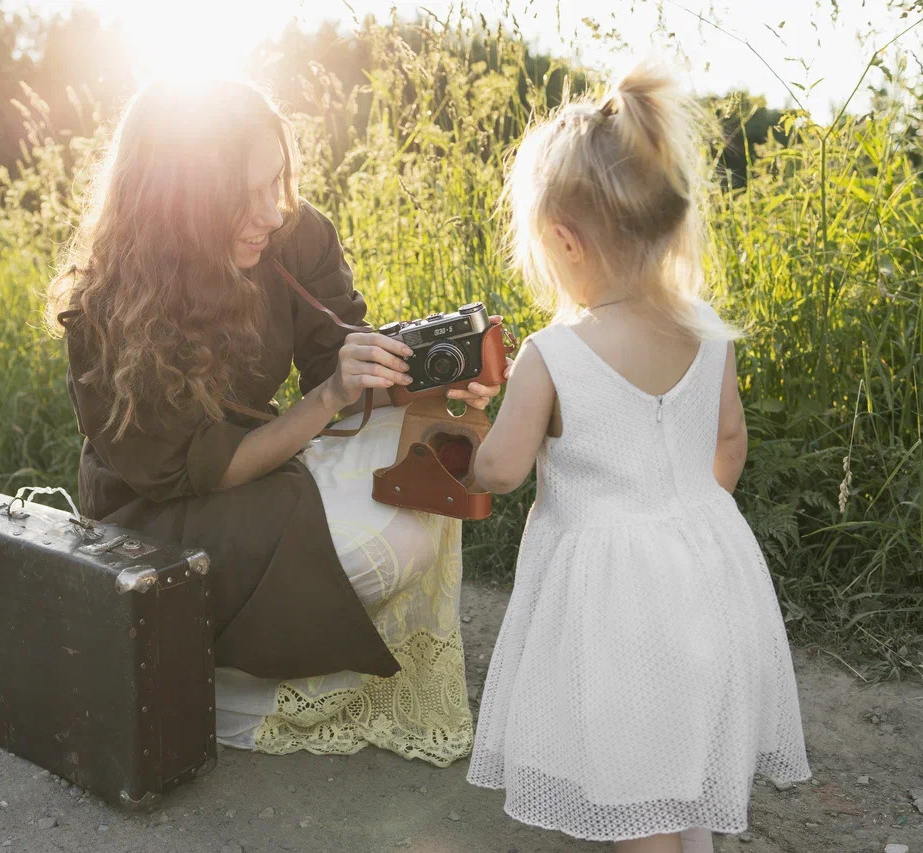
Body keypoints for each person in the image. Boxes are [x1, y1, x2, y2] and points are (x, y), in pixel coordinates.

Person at [46, 79, 500, 765]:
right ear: (182, 201)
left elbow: (338, 356)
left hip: (266, 458)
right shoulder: (110, 307)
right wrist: (324, 402)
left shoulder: (292, 233)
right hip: (160, 516)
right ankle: (228, 688)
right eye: (243, 195)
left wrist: (441, 374)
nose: (270, 210)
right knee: (389, 539)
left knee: (427, 462)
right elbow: (199, 469)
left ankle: (284, 657)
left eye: (278, 180)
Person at [464, 61, 811, 852]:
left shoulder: (552, 354)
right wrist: (680, 515)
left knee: (633, 786)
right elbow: (729, 442)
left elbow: (501, 471)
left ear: (563, 239)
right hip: (708, 573)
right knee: (684, 755)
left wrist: (488, 422)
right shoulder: (706, 331)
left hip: (611, 604)